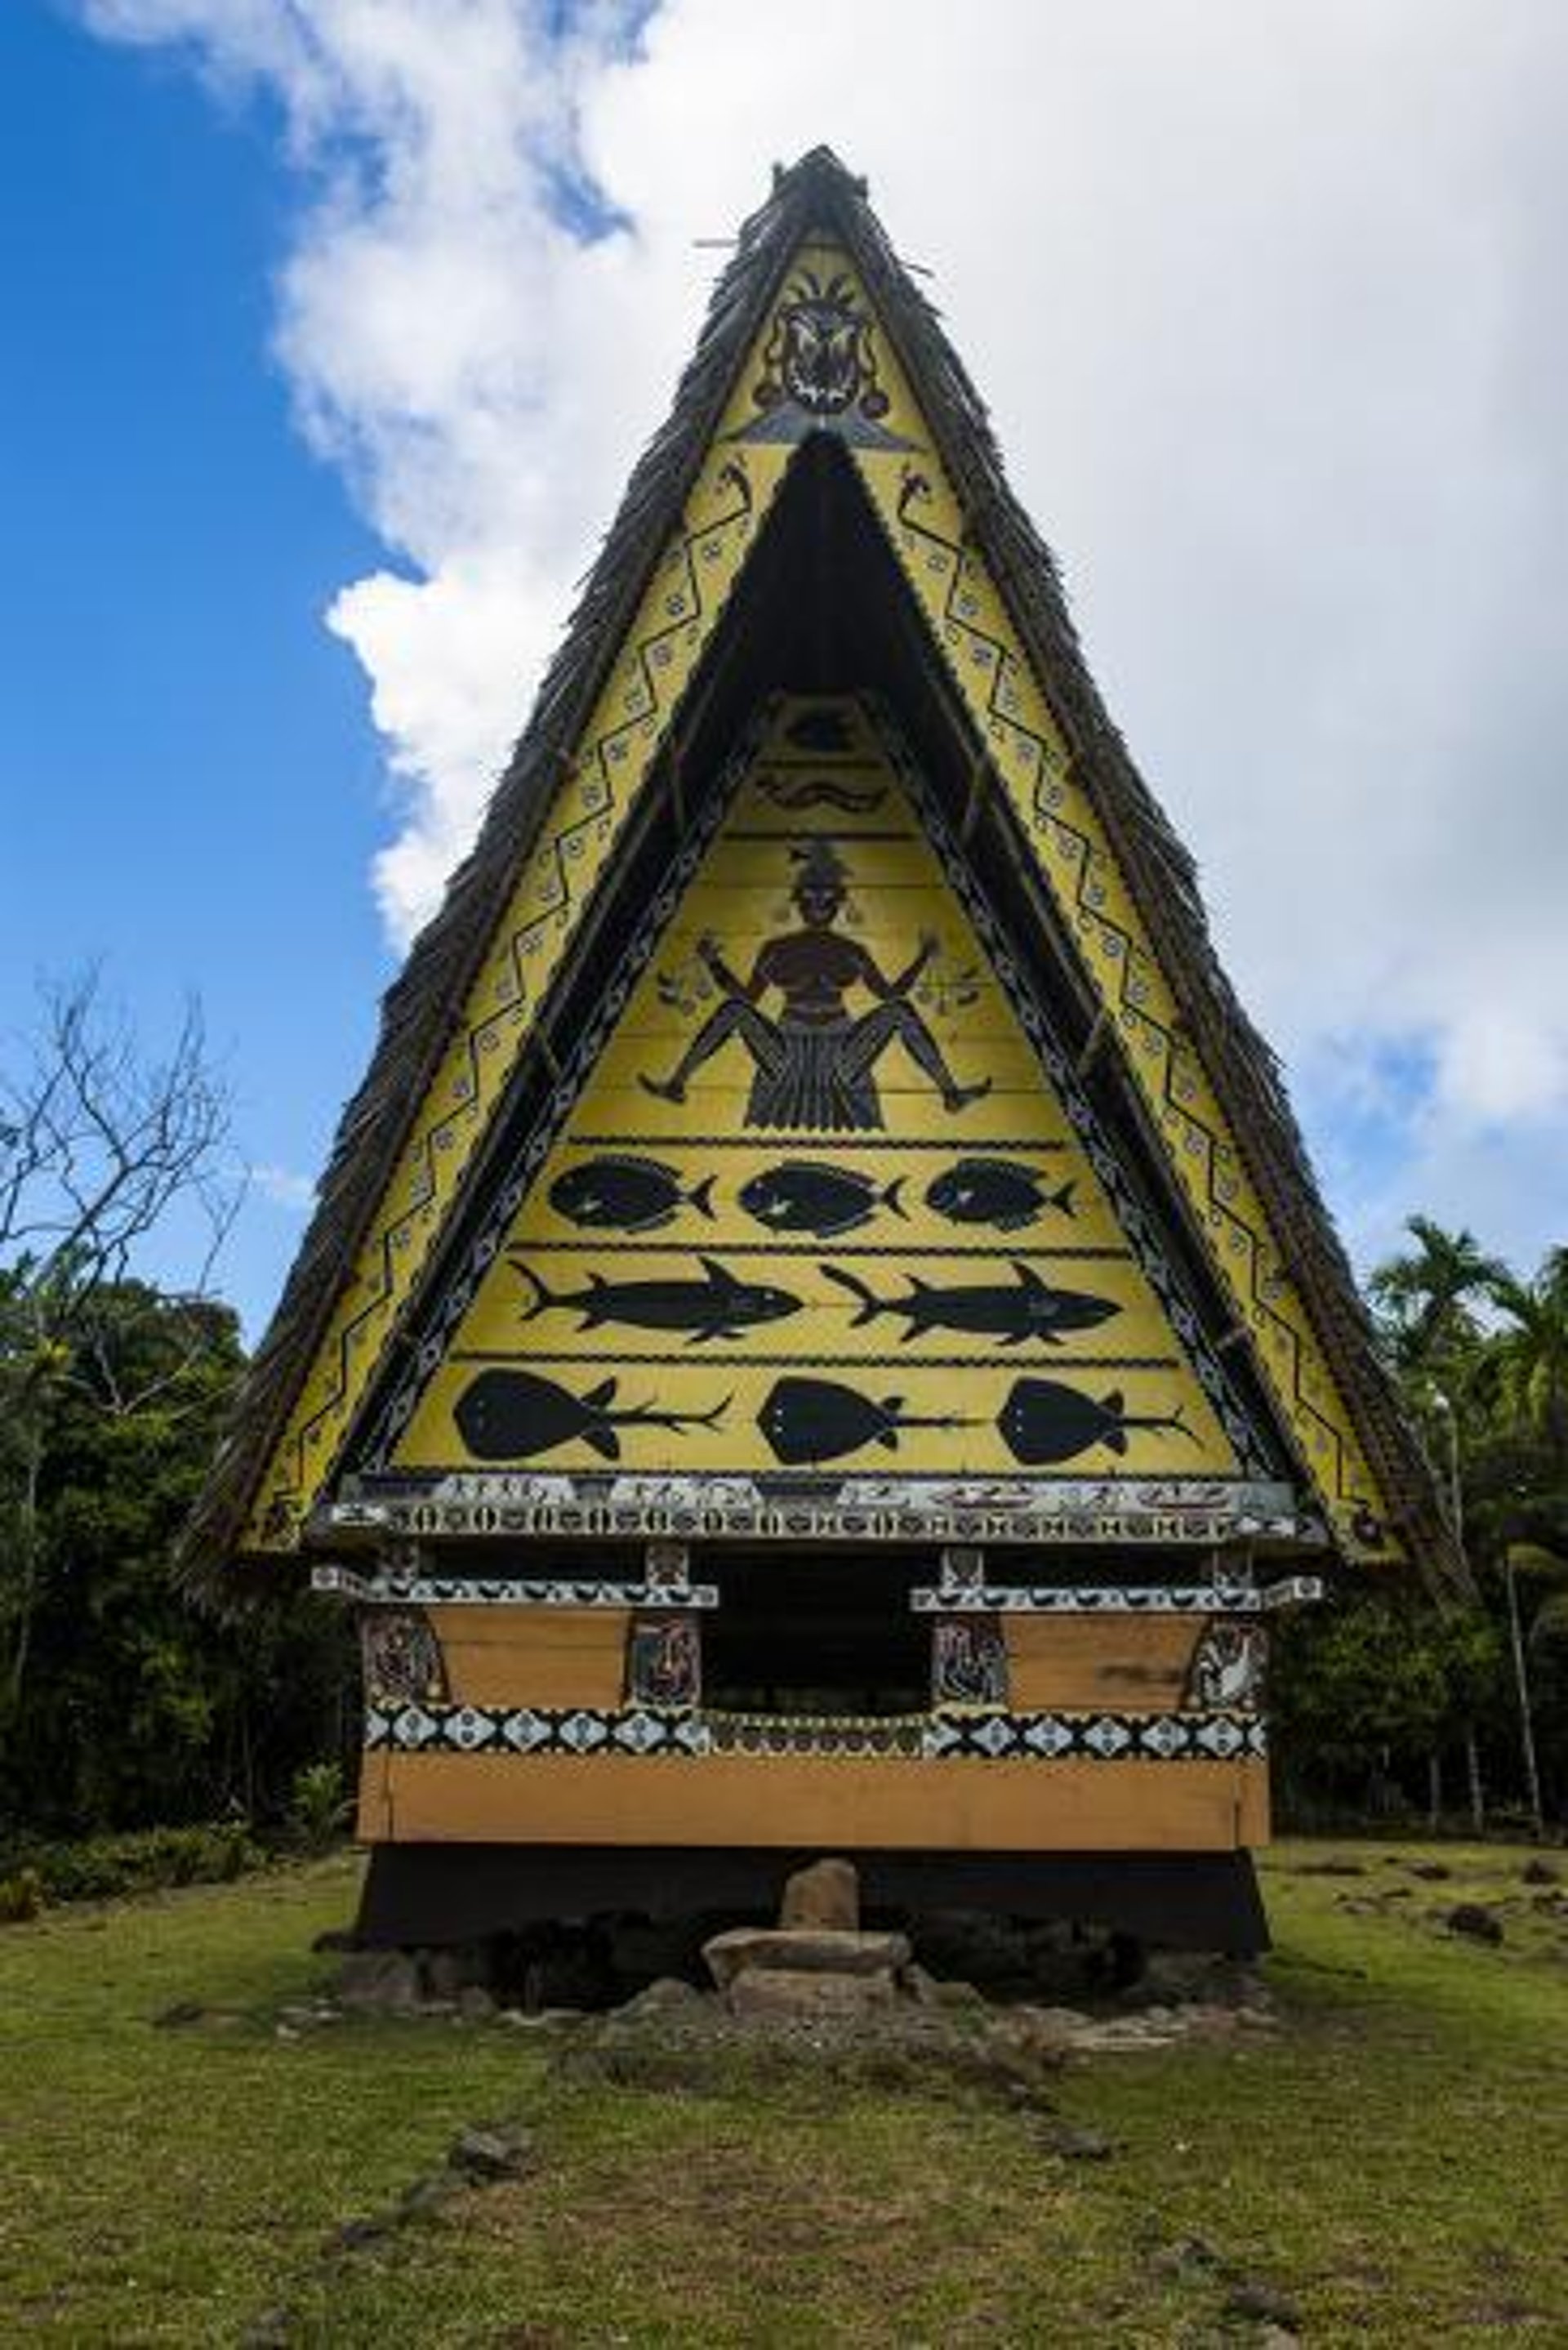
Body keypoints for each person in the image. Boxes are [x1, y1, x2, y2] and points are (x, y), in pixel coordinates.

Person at [640, 838, 990, 1132]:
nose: (818, 906)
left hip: (841, 1050)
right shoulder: (776, 949)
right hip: (787, 1050)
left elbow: (890, 995)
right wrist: (713, 963)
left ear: (839, 903)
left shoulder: (852, 951)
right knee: (733, 1010)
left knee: (899, 1011)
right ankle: (677, 1083)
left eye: (827, 899)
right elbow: (748, 998)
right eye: (810, 898)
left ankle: (950, 1091)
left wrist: (923, 958)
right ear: (798, 902)